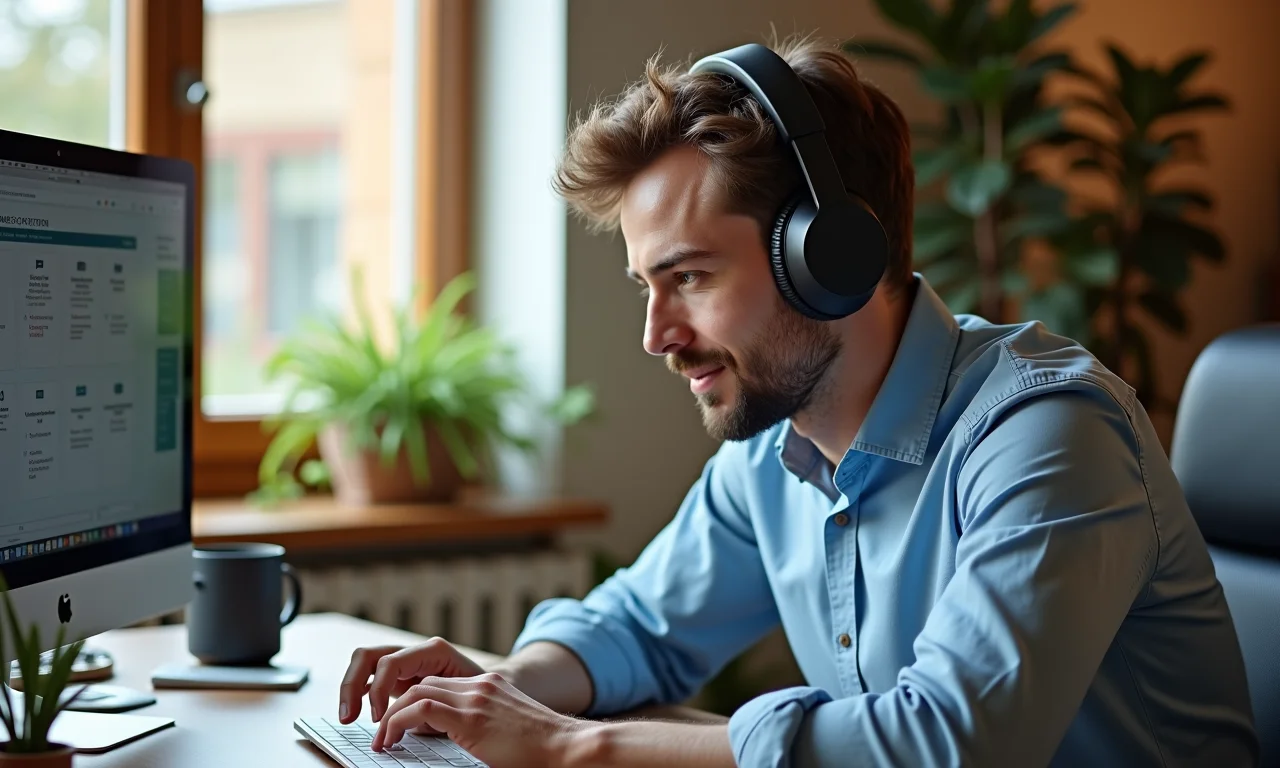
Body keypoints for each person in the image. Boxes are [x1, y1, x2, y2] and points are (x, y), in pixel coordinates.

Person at [338, 35, 1258, 767]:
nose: (656, 335)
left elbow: (950, 745)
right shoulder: (773, 455)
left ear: (828, 257)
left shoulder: (1048, 434)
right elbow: (637, 631)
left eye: (689, 277)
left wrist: (575, 748)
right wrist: (516, 686)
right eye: (645, 286)